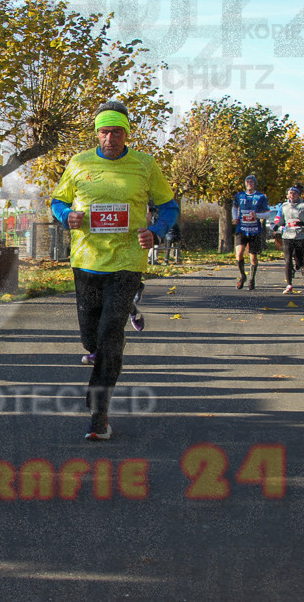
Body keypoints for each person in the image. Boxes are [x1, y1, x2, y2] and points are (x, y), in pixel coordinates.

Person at [51, 100, 178, 441]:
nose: (110, 138)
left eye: (116, 132)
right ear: (97, 134)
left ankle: (99, 412)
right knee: (90, 337)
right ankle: (123, 312)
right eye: (104, 132)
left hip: (127, 262)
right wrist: (66, 216)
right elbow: (58, 201)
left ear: (127, 133)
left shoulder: (145, 165)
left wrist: (157, 231)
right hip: (87, 260)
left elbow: (168, 206)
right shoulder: (79, 163)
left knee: (110, 336)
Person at [273, 186, 304, 294]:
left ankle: (301, 264)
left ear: (298, 195)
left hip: (301, 236)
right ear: (287, 195)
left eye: (295, 193)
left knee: (299, 259)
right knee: (287, 260)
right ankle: (289, 285)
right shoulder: (284, 206)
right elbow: (282, 219)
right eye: (290, 193)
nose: (292, 195)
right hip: (287, 236)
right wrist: (277, 226)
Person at [232, 174, 270, 289]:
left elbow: (268, 213)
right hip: (242, 229)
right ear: (245, 183)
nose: (249, 184)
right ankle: (243, 276)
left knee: (253, 257)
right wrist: (235, 217)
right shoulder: (239, 195)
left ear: (255, 184)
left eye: (251, 182)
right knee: (239, 253)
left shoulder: (261, 197)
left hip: (255, 230)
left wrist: (257, 215)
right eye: (247, 182)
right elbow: (234, 207)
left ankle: (252, 279)